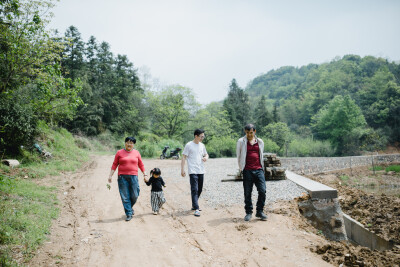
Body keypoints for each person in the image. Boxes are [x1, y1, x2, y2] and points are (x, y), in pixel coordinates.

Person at [108, 136, 147, 221]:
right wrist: (110, 175)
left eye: (131, 143)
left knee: (135, 194)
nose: (129, 144)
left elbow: (141, 164)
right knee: (125, 196)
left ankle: (129, 207)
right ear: (125, 143)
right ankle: (129, 213)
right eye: (128, 142)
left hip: (134, 176)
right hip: (122, 177)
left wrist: (145, 174)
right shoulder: (119, 152)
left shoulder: (137, 153)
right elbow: (115, 164)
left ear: (133, 144)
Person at [236, 124, 268, 221]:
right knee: (247, 192)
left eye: (251, 132)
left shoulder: (260, 141)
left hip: (259, 169)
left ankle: (259, 211)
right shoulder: (241, 141)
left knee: (262, 191)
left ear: (255, 131)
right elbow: (239, 155)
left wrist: (262, 168)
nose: (249, 135)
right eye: (247, 133)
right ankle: (249, 212)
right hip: (247, 170)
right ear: (245, 132)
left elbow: (261, 155)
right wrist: (241, 168)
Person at [181, 129, 208, 217]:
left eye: (203, 136)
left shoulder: (202, 145)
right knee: (194, 189)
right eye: (201, 136)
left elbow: (206, 154)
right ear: (196, 136)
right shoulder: (189, 145)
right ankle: (196, 208)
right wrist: (182, 169)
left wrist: (206, 158)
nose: (202, 138)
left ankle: (194, 204)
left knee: (199, 189)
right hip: (192, 170)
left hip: (201, 170)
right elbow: (184, 157)